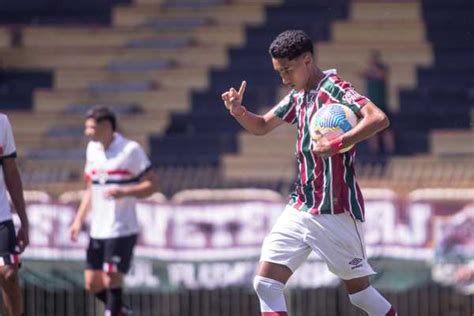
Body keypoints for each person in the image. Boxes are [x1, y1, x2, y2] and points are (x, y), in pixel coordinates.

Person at [221, 30, 397, 316]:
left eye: (288, 70)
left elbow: (379, 118)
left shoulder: (336, 88)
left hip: (334, 210)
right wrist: (239, 111)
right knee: (266, 284)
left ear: (307, 60)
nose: (284, 79)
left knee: (361, 296)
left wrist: (338, 142)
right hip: (301, 205)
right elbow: (262, 125)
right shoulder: (298, 95)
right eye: (279, 73)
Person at [69, 106, 157, 316]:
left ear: (106, 126)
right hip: (98, 228)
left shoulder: (130, 150)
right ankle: (122, 312)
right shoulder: (92, 149)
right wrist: (78, 220)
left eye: (90, 127)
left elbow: (153, 185)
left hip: (121, 227)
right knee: (92, 284)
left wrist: (125, 191)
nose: (86, 131)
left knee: (112, 277)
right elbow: (91, 189)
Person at [0, 113, 29, 316]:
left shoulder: (2, 122)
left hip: (1, 217)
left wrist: (24, 221)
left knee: (9, 274)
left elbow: (11, 171)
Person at [359, 50, 395, 156]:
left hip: (382, 104)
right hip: (372, 105)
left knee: (387, 129)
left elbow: (381, 75)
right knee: (371, 130)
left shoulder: (382, 70)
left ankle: (390, 150)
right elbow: (361, 73)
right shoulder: (369, 73)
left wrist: (373, 70)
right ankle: (374, 151)